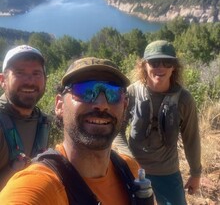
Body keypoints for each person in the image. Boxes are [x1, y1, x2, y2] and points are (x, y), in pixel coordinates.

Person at [0, 57, 150, 205]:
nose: (102, 104)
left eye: (113, 93)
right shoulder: (39, 184)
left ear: (124, 106)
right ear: (59, 105)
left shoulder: (130, 169)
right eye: (85, 90)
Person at [113, 40, 202, 205]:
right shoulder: (131, 93)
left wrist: (196, 173)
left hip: (167, 172)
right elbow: (117, 130)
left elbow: (191, 138)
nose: (160, 68)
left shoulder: (184, 99)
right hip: (132, 170)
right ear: (145, 65)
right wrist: (130, 161)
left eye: (167, 62)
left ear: (173, 67)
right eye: (154, 62)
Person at [0, 45, 50, 190]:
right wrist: (12, 171)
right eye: (20, 73)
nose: (30, 81)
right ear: (3, 80)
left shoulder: (42, 121)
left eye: (36, 73)